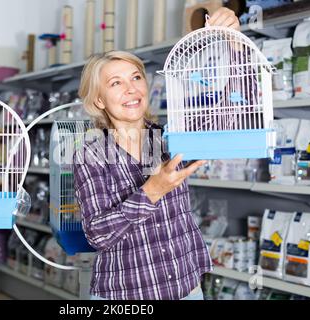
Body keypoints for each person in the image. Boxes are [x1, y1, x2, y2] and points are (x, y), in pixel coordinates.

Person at [73, 8, 240, 300]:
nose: (131, 89)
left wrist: (234, 45)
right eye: (116, 83)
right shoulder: (90, 155)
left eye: (136, 77)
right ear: (99, 100)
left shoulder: (171, 137)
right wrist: (152, 190)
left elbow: (232, 112)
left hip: (187, 290)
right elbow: (98, 234)